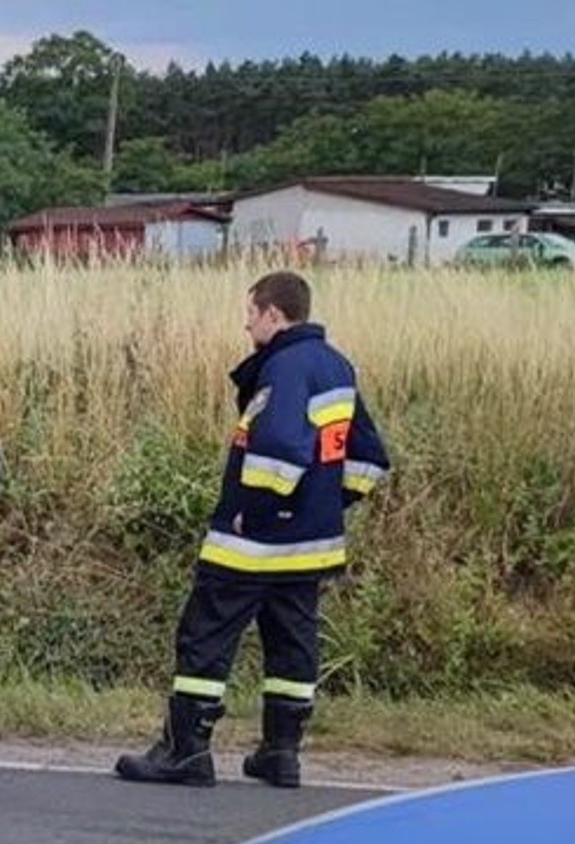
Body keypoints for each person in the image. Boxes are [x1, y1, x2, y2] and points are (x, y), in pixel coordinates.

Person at [116, 270, 390, 788]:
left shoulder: (284, 367)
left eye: (250, 314)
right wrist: (326, 504)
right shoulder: (336, 366)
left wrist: (258, 513)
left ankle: (186, 752)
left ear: (273, 314)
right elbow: (370, 458)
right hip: (311, 548)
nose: (246, 326)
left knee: (204, 638)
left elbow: (282, 445)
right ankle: (281, 753)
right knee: (293, 645)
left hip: (252, 547)